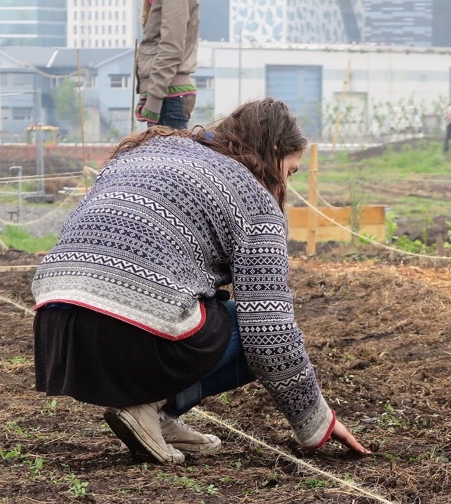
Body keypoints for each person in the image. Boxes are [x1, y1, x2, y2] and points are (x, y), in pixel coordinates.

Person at [31, 98, 370, 465]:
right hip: (127, 337)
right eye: (290, 171)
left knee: (208, 308)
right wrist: (316, 422)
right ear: (273, 153)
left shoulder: (151, 150)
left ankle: (161, 417)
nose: (286, 183)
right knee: (254, 324)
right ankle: (151, 408)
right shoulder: (255, 199)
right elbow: (270, 333)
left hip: (57, 334)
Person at [120, 0, 199, 130]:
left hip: (169, 96)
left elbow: (171, 48)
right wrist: (146, 96)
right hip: (166, 94)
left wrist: (153, 100)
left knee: (168, 163)